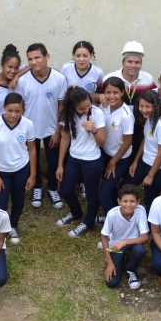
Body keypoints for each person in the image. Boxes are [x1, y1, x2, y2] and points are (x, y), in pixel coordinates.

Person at [17, 43, 68, 210]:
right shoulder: (23, 80)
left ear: (47, 57)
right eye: (30, 59)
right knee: (34, 160)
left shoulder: (59, 78)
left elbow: (61, 106)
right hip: (30, 129)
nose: (33, 62)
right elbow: (20, 107)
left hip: (51, 129)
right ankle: (37, 186)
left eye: (37, 57)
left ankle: (52, 188)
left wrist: (57, 130)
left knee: (53, 161)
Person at [0, 92, 36, 244]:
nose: (13, 114)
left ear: (23, 110)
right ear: (4, 108)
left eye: (17, 111)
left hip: (21, 167)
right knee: (0, 202)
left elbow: (32, 150)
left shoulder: (28, 124)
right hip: (1, 170)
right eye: (10, 110)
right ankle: (0, 229)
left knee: (19, 198)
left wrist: (32, 175)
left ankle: (13, 225)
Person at [55, 87, 106, 237]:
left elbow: (102, 143)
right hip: (73, 159)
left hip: (92, 161)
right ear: (72, 107)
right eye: (81, 108)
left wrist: (94, 130)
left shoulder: (97, 113)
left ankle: (88, 222)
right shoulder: (67, 114)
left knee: (91, 194)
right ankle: (76, 213)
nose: (85, 110)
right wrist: (60, 164)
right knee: (65, 190)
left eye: (88, 106)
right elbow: (65, 138)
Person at [97, 77, 135, 220]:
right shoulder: (104, 107)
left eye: (115, 93)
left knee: (104, 193)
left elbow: (127, 142)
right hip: (106, 153)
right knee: (110, 190)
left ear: (122, 93)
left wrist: (113, 162)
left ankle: (113, 222)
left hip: (120, 158)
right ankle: (114, 212)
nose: (111, 96)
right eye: (108, 92)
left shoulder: (126, 115)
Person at [101, 184, 150, 290]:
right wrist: (109, 262)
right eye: (125, 201)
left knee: (140, 250)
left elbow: (145, 237)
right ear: (119, 201)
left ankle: (130, 269)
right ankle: (119, 259)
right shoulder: (112, 214)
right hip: (116, 245)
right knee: (112, 283)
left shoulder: (140, 211)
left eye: (132, 201)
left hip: (132, 243)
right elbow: (104, 236)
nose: (128, 204)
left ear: (138, 202)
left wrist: (125, 242)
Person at [132, 89, 161, 208]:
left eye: (148, 106)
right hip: (144, 162)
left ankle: (150, 226)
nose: (144, 109)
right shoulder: (149, 118)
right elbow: (146, 139)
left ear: (155, 106)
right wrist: (135, 161)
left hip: (158, 169)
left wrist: (150, 175)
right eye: (141, 106)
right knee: (127, 186)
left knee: (150, 200)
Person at [103, 40, 156, 108]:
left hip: (141, 117)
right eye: (130, 62)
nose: (133, 65)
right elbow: (97, 95)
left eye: (137, 62)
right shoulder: (109, 78)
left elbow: (155, 96)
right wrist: (99, 96)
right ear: (123, 63)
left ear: (141, 64)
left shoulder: (148, 79)